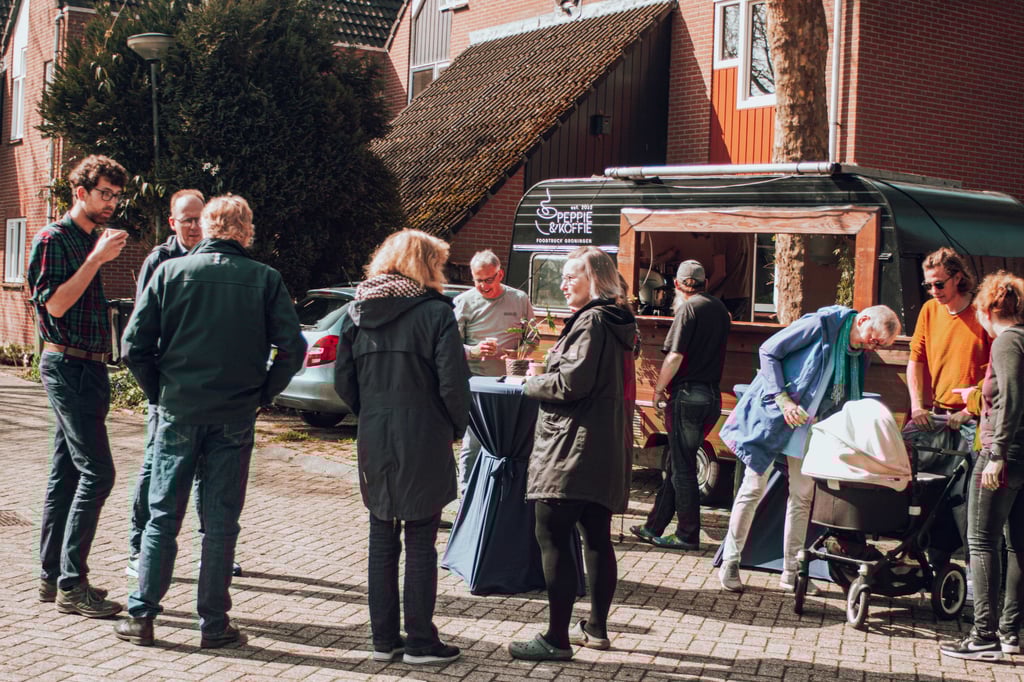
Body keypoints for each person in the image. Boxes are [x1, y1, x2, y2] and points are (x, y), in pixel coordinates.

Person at [113, 195, 306, 648]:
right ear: (246, 231)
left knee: (162, 515)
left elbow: (133, 346)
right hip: (234, 413)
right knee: (220, 522)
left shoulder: (170, 273)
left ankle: (142, 616)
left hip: (179, 408)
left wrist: (159, 391)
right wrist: (263, 393)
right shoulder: (265, 279)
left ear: (206, 226)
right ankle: (214, 624)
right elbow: (292, 348)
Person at [334, 229, 470, 665]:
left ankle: (382, 638)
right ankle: (419, 640)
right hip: (423, 432)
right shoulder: (434, 313)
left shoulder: (356, 312)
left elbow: (344, 381)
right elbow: (453, 384)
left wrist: (371, 411)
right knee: (419, 537)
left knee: (381, 532)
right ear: (426, 265)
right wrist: (454, 426)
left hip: (376, 431)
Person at [508, 246, 637, 661]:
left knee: (553, 535)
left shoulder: (593, 322)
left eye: (571, 276)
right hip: (601, 446)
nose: (563, 284)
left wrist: (528, 384)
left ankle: (556, 638)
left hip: (570, 447)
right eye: (561, 276)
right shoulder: (615, 320)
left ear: (594, 279)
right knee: (596, 536)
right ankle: (596, 629)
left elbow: (570, 384)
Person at [716, 304, 901, 594]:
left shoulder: (860, 357)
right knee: (752, 489)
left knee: (802, 498)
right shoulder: (821, 324)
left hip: (811, 429)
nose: (871, 346)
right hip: (777, 416)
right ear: (863, 319)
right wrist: (783, 399)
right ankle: (731, 560)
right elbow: (769, 351)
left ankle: (793, 572)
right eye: (872, 338)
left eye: (879, 345)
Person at [123, 189, 249, 577]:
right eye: (187, 219)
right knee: (154, 466)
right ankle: (139, 545)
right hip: (170, 387)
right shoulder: (160, 262)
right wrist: (156, 389)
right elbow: (141, 331)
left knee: (209, 471)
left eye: (200, 218)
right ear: (173, 222)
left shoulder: (222, 262)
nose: (195, 226)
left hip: (210, 390)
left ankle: (212, 548)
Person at [28, 154, 129, 618]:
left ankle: (52, 578)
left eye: (116, 195)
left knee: (66, 473)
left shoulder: (91, 239)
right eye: (104, 193)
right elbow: (57, 307)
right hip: (65, 365)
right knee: (98, 472)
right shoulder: (54, 238)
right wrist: (96, 259)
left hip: (91, 368)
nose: (111, 203)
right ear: (80, 192)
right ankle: (72, 583)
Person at [941, 272, 1024, 662]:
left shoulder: (1006, 343)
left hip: (1002, 456)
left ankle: (984, 635)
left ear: (988, 310)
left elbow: (1009, 399)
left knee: (981, 541)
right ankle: (1010, 632)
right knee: (1016, 544)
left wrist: (996, 454)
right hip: (1021, 456)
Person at [630, 260, 730, 550]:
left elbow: (675, 356)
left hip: (688, 396)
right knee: (678, 461)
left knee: (683, 468)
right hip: (712, 396)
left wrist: (659, 389)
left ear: (677, 284)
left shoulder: (689, 308)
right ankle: (654, 526)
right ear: (705, 282)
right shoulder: (720, 310)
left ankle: (687, 534)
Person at [904, 247, 990, 571]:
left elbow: (998, 371)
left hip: (973, 419)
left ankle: (973, 576)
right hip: (937, 416)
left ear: (958, 278)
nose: (934, 291)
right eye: (929, 285)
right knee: (930, 493)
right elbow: (915, 359)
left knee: (968, 501)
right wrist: (916, 405)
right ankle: (933, 565)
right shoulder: (929, 311)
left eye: (940, 284)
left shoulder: (982, 314)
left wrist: (970, 409)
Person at [453, 250, 533, 493]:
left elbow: (533, 337)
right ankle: (466, 495)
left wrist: (517, 354)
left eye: (488, 280)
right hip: (475, 383)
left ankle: (502, 493)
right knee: (474, 441)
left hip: (509, 383)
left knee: (508, 442)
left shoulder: (519, 299)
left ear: (500, 274)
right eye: (478, 280)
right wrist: (474, 350)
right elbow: (449, 345)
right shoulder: (464, 301)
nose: (483, 286)